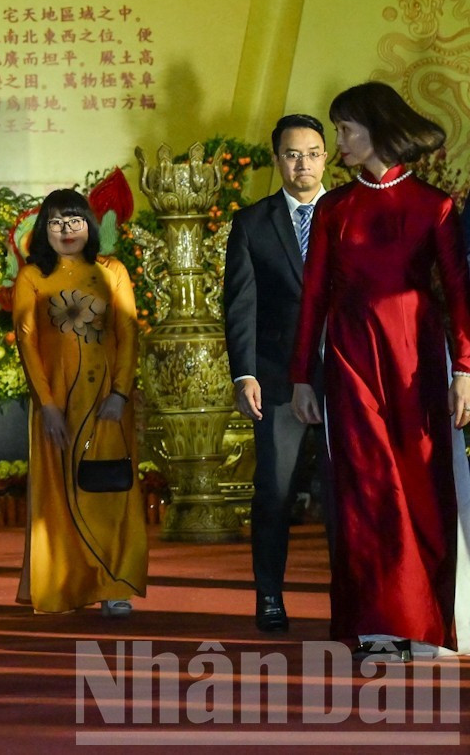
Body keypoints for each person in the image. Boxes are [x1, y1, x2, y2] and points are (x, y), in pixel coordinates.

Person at [291, 82, 470, 656]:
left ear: (375, 129)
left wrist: (464, 368)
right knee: (365, 490)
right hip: (349, 357)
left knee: (422, 486)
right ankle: (374, 623)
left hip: (418, 358)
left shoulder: (434, 205)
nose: (335, 141)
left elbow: (460, 294)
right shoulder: (334, 209)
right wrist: (301, 377)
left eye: (344, 129)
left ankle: (424, 624)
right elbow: (313, 297)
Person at [12, 188, 147, 618]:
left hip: (108, 403)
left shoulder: (112, 272)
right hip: (56, 408)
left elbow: (128, 334)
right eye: (55, 223)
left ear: (89, 225)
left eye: (74, 221)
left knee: (109, 491)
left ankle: (114, 584)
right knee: (57, 494)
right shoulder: (32, 277)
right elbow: (27, 342)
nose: (67, 231)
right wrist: (47, 405)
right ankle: (65, 585)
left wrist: (120, 393)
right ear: (42, 231)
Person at [222, 113, 328, 632]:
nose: (302, 163)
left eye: (311, 152)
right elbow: (241, 304)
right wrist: (245, 374)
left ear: (327, 156)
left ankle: (356, 600)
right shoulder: (253, 222)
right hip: (277, 376)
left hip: (347, 375)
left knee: (347, 493)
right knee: (275, 490)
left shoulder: (350, 212)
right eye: (292, 153)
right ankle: (269, 595)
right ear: (276, 160)